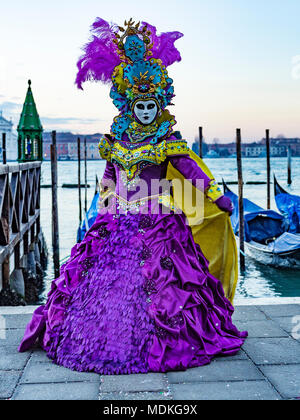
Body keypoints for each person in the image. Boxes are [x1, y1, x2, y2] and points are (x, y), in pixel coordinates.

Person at [19, 18, 247, 374]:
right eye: (138, 106)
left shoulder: (166, 140)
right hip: (116, 219)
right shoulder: (117, 139)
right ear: (129, 107)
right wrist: (105, 202)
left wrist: (216, 195)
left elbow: (189, 169)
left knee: (163, 283)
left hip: (157, 219)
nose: (143, 112)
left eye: (149, 106)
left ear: (159, 105)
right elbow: (110, 175)